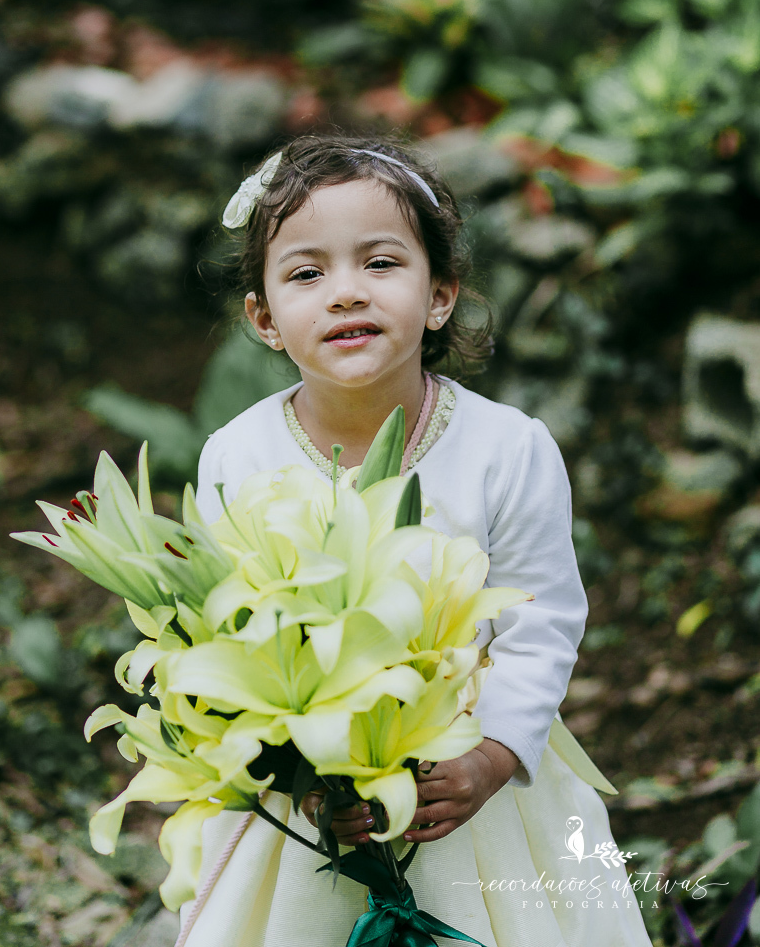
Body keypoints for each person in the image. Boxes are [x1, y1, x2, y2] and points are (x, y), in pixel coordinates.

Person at [178, 134, 651, 947]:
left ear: (440, 295)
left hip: (468, 786)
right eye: (305, 273)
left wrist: (494, 757)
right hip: (315, 799)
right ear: (262, 318)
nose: (344, 294)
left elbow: (540, 621)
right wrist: (293, 774)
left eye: (381, 264)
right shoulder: (237, 454)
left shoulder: (507, 449)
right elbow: (224, 633)